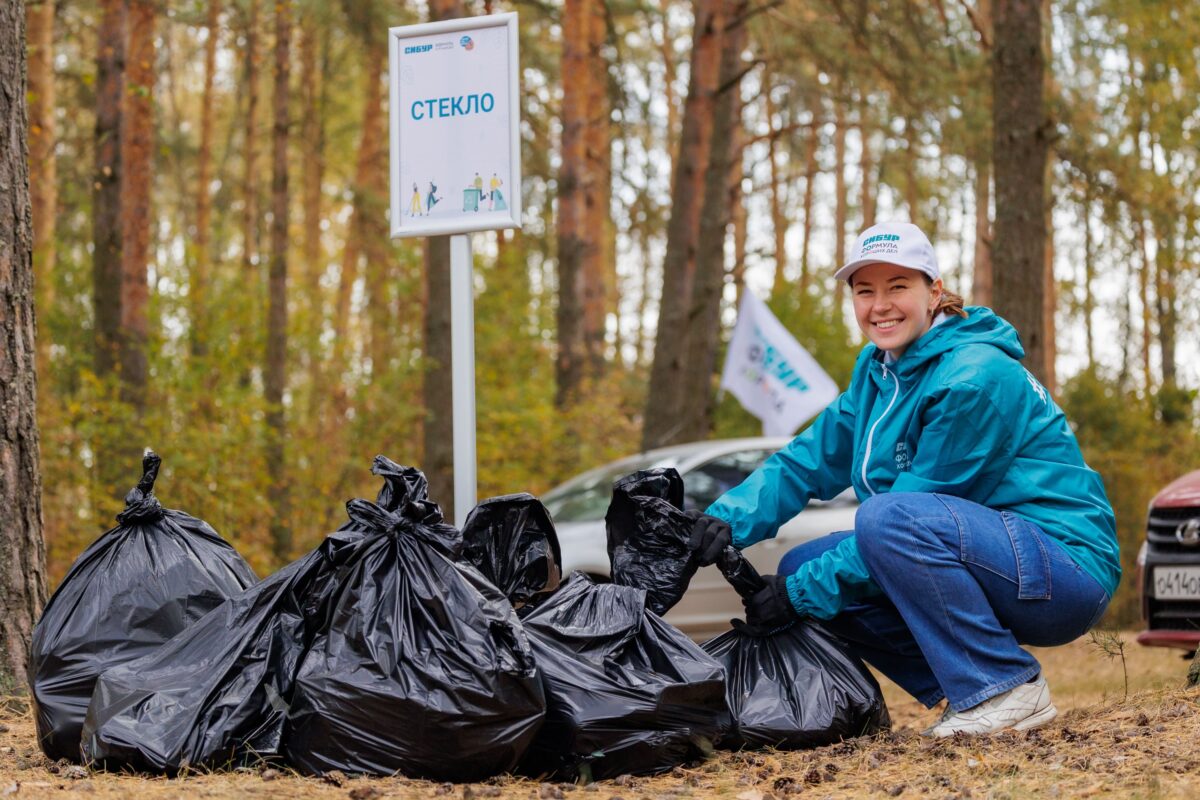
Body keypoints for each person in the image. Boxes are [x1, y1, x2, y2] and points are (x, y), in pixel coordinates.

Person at [687, 221, 1119, 737]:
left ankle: (1002, 685)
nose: (880, 305)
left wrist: (797, 595)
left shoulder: (973, 377)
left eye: (898, 286)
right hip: (1000, 555)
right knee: (804, 558)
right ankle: (970, 696)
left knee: (879, 522)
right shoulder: (879, 372)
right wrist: (720, 523)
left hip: (1065, 568)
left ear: (934, 291)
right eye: (865, 291)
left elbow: (912, 512)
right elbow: (807, 459)